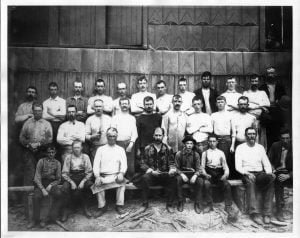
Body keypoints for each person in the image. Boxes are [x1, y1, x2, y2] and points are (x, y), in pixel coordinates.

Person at [235, 127, 275, 225]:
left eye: (253, 134)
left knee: (272, 178)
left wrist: (269, 173)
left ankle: (267, 213)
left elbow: (266, 163)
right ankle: (254, 213)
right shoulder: (240, 148)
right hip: (246, 173)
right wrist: (247, 173)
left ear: (256, 136)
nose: (251, 136)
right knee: (251, 181)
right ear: (245, 136)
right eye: (249, 134)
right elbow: (238, 166)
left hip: (260, 173)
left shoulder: (260, 147)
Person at [134, 127, 177, 213]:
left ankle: (169, 204)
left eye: (159, 135)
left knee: (173, 179)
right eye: (156, 135)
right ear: (153, 136)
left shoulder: (168, 149)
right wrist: (151, 171)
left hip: (164, 174)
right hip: (152, 175)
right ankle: (145, 204)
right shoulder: (147, 148)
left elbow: (172, 162)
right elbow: (142, 163)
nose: (158, 137)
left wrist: (172, 169)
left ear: (163, 136)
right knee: (144, 178)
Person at [92, 128, 128, 217]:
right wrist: (97, 176)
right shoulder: (101, 149)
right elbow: (96, 165)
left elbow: (124, 164)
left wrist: (121, 173)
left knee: (122, 183)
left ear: (116, 137)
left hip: (116, 175)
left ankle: (119, 205)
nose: (112, 138)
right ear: (106, 136)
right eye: (110, 136)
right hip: (103, 176)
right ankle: (102, 207)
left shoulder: (120, 149)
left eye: (114, 136)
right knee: (97, 184)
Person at [28, 145, 62, 229]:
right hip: (41, 183)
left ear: (55, 153)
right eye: (49, 152)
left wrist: (51, 185)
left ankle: (51, 217)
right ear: (46, 153)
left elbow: (58, 179)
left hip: (51, 183)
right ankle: (35, 220)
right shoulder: (41, 161)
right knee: (36, 197)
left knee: (59, 194)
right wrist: (42, 189)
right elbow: (37, 177)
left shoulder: (58, 163)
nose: (51, 154)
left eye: (52, 152)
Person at [19, 103, 53, 185]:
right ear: (33, 111)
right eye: (36, 111)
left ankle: (43, 193)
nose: (37, 113)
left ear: (42, 111)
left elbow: (49, 138)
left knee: (43, 172)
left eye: (39, 111)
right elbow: (21, 137)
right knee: (29, 171)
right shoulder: (27, 123)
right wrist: (29, 144)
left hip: (42, 151)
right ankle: (28, 194)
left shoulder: (47, 124)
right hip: (29, 151)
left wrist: (39, 144)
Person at [61, 140, 93, 221]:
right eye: (74, 148)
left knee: (89, 185)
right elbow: (64, 173)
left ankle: (85, 208)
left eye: (78, 147)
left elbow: (89, 172)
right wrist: (71, 182)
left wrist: (83, 181)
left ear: (81, 148)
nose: (76, 149)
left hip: (83, 176)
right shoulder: (68, 157)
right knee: (64, 188)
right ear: (72, 148)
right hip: (71, 177)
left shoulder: (85, 157)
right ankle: (66, 210)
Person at [201, 134, 233, 214]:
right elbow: (202, 166)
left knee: (226, 184)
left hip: (218, 173)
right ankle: (209, 205)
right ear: (208, 142)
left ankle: (228, 206)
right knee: (206, 184)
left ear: (217, 142)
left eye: (214, 141)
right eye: (210, 141)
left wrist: (225, 174)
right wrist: (205, 174)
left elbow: (225, 165)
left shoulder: (221, 153)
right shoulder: (205, 153)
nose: (212, 143)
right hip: (209, 172)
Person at [174, 136, 203, 213]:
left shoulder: (196, 155)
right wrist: (182, 174)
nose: (189, 145)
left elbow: (198, 169)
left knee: (200, 181)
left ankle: (197, 203)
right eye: (187, 143)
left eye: (191, 143)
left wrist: (195, 175)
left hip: (193, 175)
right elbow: (176, 168)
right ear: (184, 144)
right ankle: (180, 201)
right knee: (177, 180)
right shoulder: (179, 154)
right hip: (182, 174)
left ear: (193, 145)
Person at [269, 129, 292, 222]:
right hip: (278, 171)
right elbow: (269, 160)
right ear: (280, 138)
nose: (285, 140)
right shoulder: (275, 145)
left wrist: (289, 175)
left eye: (287, 138)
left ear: (290, 138)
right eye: (283, 138)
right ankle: (279, 210)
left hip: (291, 172)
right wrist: (273, 170)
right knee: (278, 180)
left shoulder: (295, 147)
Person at [111, 98, 138, 178]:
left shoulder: (132, 118)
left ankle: (129, 181)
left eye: (126, 103)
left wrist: (131, 144)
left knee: (130, 166)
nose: (124, 105)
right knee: (118, 163)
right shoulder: (115, 118)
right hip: (118, 143)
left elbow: (134, 133)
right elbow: (113, 131)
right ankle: (119, 180)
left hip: (129, 143)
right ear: (119, 105)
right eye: (122, 104)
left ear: (129, 105)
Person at [211, 96, 235, 178]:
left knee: (226, 160)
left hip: (227, 140)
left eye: (222, 102)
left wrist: (232, 145)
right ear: (216, 104)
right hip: (216, 140)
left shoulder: (230, 115)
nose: (220, 104)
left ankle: (226, 178)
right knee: (216, 159)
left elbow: (233, 132)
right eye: (218, 102)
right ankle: (218, 178)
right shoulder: (213, 115)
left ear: (225, 103)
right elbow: (211, 130)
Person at [243, 74, 270, 148]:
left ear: (258, 82)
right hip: (250, 120)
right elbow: (245, 105)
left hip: (260, 120)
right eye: (253, 81)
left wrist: (252, 104)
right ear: (250, 82)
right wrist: (260, 106)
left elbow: (267, 104)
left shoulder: (262, 93)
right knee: (250, 138)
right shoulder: (246, 93)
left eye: (256, 81)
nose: (254, 83)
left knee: (261, 140)